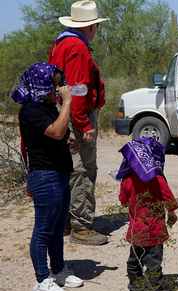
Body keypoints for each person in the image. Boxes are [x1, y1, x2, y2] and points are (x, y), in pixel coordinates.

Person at [12, 63, 83, 291]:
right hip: (45, 176)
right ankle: (42, 279)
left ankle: (59, 269)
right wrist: (68, 103)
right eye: (55, 82)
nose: (59, 87)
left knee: (57, 227)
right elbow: (55, 132)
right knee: (43, 229)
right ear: (42, 84)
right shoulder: (31, 110)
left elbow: (58, 135)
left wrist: (68, 141)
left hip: (59, 172)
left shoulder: (48, 107)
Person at [49, 0, 109, 246]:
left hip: (63, 113)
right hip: (75, 115)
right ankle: (81, 226)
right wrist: (84, 124)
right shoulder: (78, 48)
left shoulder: (61, 43)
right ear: (91, 26)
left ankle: (63, 222)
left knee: (67, 168)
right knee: (83, 170)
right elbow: (78, 90)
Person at [117, 137, 178, 291]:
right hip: (155, 229)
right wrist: (172, 213)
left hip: (136, 228)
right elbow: (169, 199)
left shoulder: (128, 179)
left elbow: (122, 200)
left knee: (134, 259)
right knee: (153, 261)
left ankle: (135, 289)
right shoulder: (157, 179)